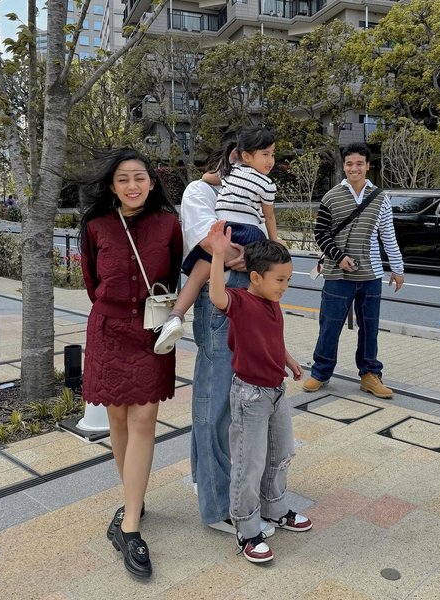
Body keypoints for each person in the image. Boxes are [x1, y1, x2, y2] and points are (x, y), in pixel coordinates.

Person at [79, 147, 183, 579]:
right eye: (123, 179)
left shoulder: (169, 225)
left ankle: (131, 525)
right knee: (118, 421)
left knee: (143, 422)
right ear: (111, 185)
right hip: (108, 330)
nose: (133, 186)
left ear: (152, 182)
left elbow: (176, 273)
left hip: (150, 332)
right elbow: (90, 279)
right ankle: (133, 498)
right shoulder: (95, 225)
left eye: (139, 177)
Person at [179, 139, 275, 539]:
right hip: (220, 301)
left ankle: (208, 483)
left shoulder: (244, 192)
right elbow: (218, 248)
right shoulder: (201, 192)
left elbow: (258, 251)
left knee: (223, 399)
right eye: (254, 156)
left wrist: (251, 253)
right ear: (236, 156)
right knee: (215, 403)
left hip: (243, 300)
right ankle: (219, 505)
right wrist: (250, 253)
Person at [208, 221, 313, 563]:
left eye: (288, 280)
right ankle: (247, 527)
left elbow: (272, 340)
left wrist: (290, 360)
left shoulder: (272, 303)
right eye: (280, 280)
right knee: (249, 463)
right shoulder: (240, 301)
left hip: (276, 391)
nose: (285, 286)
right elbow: (216, 295)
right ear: (256, 278)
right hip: (250, 396)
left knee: (281, 452)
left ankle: (275, 508)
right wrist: (218, 256)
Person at [154, 126, 279, 355]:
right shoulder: (201, 190)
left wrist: (257, 256)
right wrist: (262, 253)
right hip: (224, 286)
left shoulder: (251, 185)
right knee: (216, 365)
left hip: (245, 280)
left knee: (200, 270)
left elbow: (258, 238)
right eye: (265, 154)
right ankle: (174, 318)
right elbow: (213, 244)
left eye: (272, 155)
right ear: (240, 156)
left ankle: (175, 316)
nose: (270, 161)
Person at [303, 142, 404, 398]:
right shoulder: (331, 196)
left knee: (370, 327)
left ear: (368, 166)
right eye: (349, 164)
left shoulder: (381, 198)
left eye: (360, 163)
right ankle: (320, 372)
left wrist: (397, 268)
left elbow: (388, 236)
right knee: (330, 325)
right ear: (344, 166)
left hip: (371, 275)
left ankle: (370, 374)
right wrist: (339, 257)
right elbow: (321, 234)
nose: (354, 168)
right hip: (338, 275)